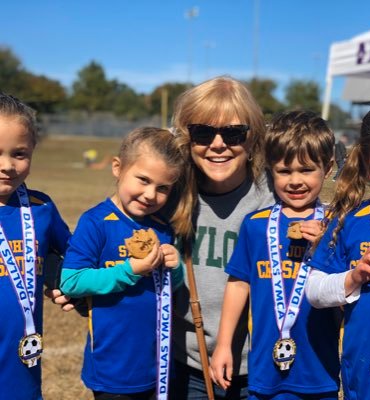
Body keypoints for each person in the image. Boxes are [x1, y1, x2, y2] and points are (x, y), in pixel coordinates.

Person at [211, 110, 341, 399]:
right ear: (270, 169)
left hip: (320, 373)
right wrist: (223, 345)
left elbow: (346, 287)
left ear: (328, 167)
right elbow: (239, 283)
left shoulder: (338, 225)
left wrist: (326, 247)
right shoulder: (255, 225)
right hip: (264, 374)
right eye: (284, 171)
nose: (295, 181)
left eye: (306, 170)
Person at [60, 127, 193, 400]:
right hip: (113, 368)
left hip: (159, 364)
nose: (150, 195)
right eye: (142, 180)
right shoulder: (95, 222)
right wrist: (130, 270)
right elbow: (71, 282)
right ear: (118, 168)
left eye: (162, 188)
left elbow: (171, 288)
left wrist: (175, 268)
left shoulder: (163, 226)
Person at [170, 76, 275, 399]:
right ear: (186, 138)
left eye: (233, 133)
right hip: (187, 368)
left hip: (266, 369)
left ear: (252, 137)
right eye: (203, 132)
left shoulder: (277, 198)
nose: (218, 144)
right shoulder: (165, 195)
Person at [306, 98, 370, 400]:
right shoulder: (350, 221)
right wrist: (353, 278)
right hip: (365, 381)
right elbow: (315, 291)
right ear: (366, 165)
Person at [0, 92, 71, 400]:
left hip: (21, 367)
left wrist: (62, 278)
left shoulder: (41, 208)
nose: (7, 166)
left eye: (19, 153)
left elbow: (71, 255)